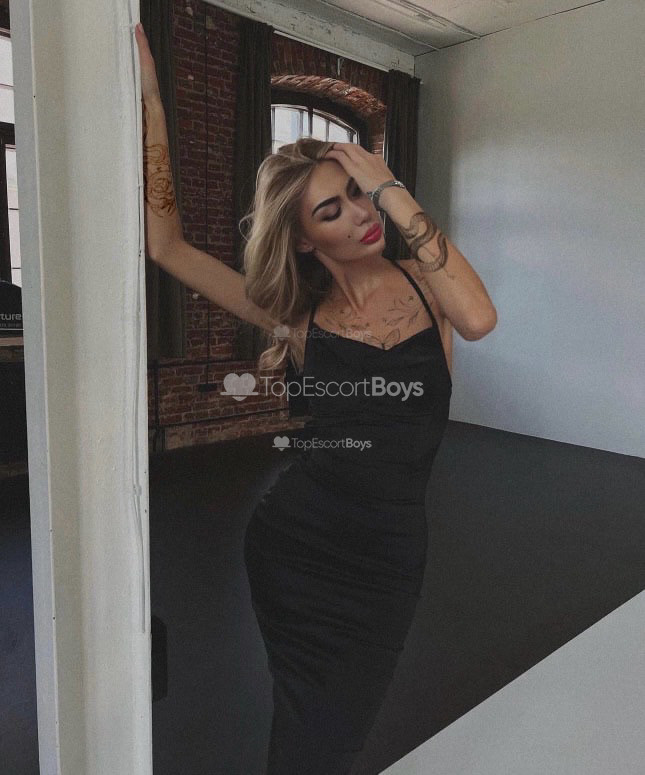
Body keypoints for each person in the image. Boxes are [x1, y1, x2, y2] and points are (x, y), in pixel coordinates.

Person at [135, 21, 497, 774]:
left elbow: (478, 318)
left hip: (390, 552)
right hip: (296, 545)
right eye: (331, 211)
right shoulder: (294, 316)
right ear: (303, 240)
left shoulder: (428, 285)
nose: (360, 216)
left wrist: (389, 185)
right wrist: (151, 105)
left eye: (357, 196)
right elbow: (166, 246)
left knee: (337, 726)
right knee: (307, 721)